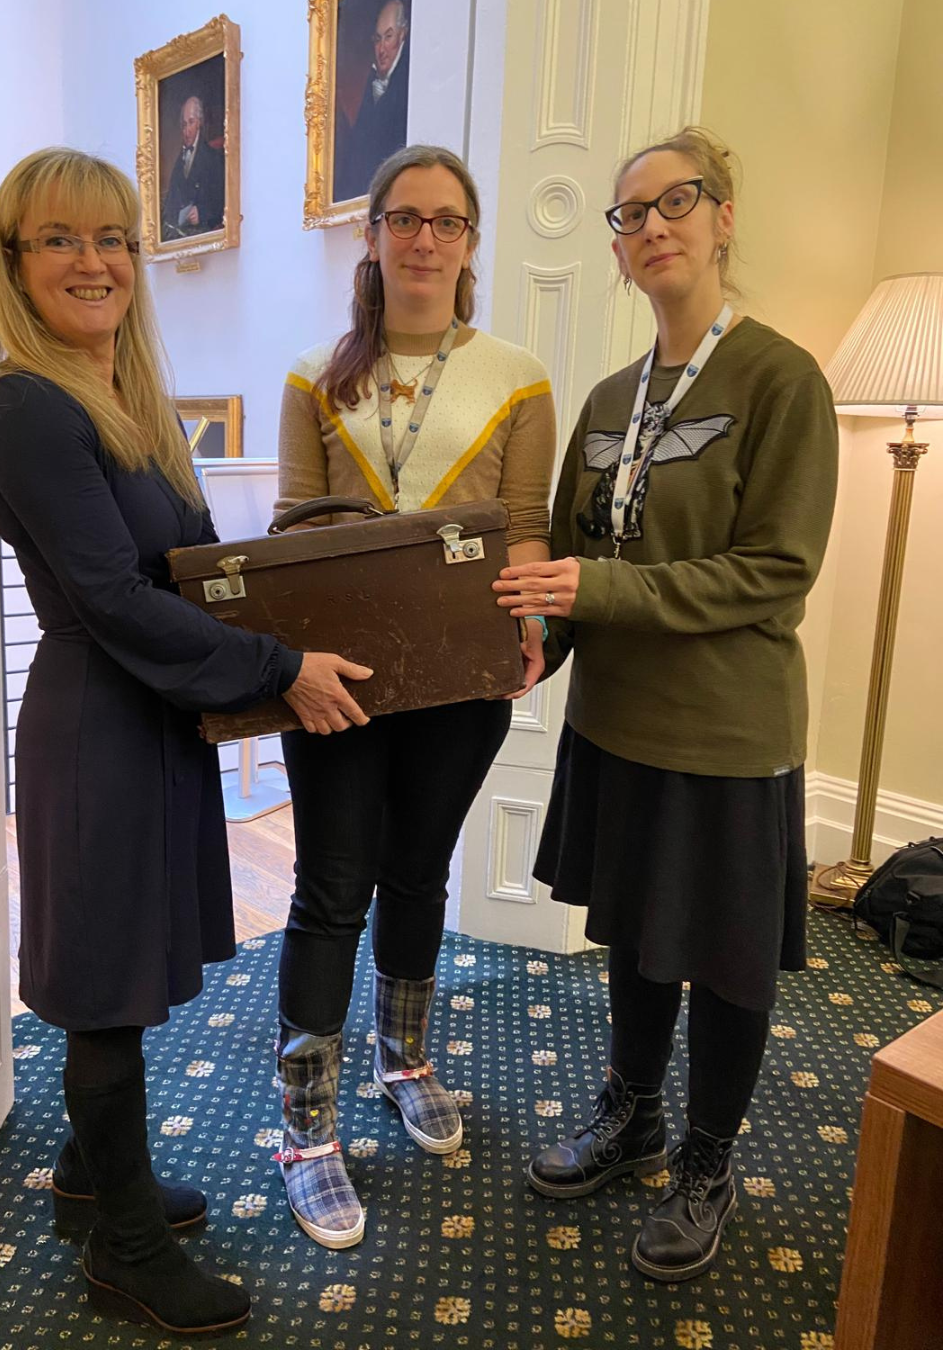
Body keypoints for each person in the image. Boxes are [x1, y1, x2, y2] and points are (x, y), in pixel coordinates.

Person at [0, 147, 368, 1336]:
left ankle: (90, 1181)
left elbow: (193, 569)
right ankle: (125, 1251)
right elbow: (111, 597)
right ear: (15, 263)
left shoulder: (126, 398)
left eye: (113, 239)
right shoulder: (27, 406)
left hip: (156, 717)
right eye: (61, 238)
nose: (93, 261)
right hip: (97, 724)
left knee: (129, 957)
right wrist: (280, 668)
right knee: (104, 986)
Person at [494, 126, 838, 1283]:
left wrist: (593, 592)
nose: (651, 226)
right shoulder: (606, 401)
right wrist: (525, 649)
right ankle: (632, 1112)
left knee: (728, 961)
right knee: (638, 935)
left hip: (730, 734)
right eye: (630, 213)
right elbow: (573, 568)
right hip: (615, 723)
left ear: (723, 217)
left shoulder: (782, 380)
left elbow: (776, 570)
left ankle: (707, 1161)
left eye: (675, 201)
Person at [273, 143, 557, 1249]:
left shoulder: (517, 376)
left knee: (419, 869)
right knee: (330, 888)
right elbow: (294, 530)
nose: (425, 239)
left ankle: (404, 1061)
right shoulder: (314, 375)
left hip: (457, 675)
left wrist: (528, 627)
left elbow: (524, 523)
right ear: (373, 234)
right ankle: (305, 1131)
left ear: (470, 241)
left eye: (447, 221)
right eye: (405, 219)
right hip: (336, 682)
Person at [334, 0, 410, 203]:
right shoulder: (372, 81)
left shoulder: (407, 81)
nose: (381, 48)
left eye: (388, 37)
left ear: (402, 35)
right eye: (378, 39)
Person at [161, 94, 225, 239]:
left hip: (203, 234)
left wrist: (201, 213)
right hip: (179, 235)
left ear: (199, 123)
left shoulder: (213, 158)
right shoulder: (179, 160)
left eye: (191, 122)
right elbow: (172, 199)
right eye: (184, 125)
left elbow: (223, 201)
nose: (187, 130)